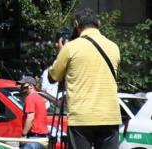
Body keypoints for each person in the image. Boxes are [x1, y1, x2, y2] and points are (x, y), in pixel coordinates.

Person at [48, 8, 121, 149]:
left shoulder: (70, 48)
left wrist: (61, 52)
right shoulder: (114, 47)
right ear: (98, 23)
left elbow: (53, 77)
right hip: (109, 116)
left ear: (76, 24)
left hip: (82, 117)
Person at [17, 75, 48, 149]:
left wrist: (24, 134)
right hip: (41, 138)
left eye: (23, 85)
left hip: (34, 138)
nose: (21, 87)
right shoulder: (39, 98)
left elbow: (30, 118)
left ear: (30, 86)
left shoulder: (30, 98)